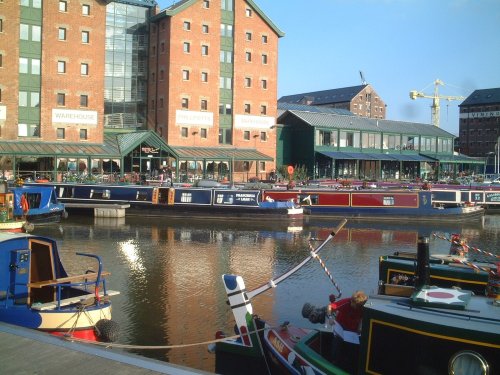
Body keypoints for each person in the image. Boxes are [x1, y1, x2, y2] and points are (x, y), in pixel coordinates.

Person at [327, 290, 367, 372]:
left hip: (353, 330)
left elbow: (363, 316)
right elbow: (330, 307)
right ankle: (334, 364)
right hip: (341, 327)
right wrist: (330, 318)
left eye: (355, 305)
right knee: (336, 345)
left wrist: (360, 326)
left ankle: (349, 366)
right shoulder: (346, 302)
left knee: (352, 349)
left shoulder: (363, 307)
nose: (352, 305)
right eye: (352, 303)